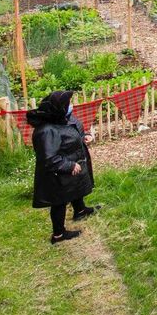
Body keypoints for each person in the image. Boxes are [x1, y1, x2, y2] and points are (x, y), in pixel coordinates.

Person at [28, 90, 99, 244]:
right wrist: (68, 165)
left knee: (75, 188)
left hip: (71, 165)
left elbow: (71, 132)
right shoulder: (46, 130)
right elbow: (48, 158)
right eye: (68, 104)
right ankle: (58, 235)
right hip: (56, 173)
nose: (71, 106)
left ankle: (80, 211)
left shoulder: (62, 118)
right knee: (59, 201)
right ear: (59, 107)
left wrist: (83, 136)